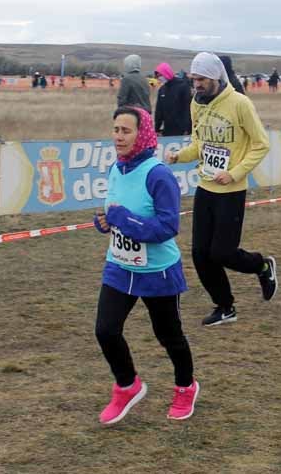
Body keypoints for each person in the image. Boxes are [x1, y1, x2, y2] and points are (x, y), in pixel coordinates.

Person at [93, 106, 198, 424]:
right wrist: (106, 223)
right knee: (105, 330)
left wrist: (122, 218)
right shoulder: (116, 169)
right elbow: (114, 212)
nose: (118, 137)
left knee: (169, 336)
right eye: (115, 130)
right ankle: (127, 385)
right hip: (120, 265)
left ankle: (185, 387)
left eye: (126, 131)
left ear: (143, 134)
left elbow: (167, 227)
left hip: (157, 271)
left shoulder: (158, 174)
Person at [165, 52, 277, 326]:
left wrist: (236, 173)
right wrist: (181, 155)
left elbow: (261, 143)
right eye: (194, 80)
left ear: (216, 77)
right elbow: (199, 144)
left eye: (202, 79)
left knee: (222, 253)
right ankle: (225, 307)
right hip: (205, 187)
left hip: (232, 191)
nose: (197, 85)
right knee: (200, 254)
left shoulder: (240, 103)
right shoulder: (196, 103)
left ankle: (263, 266)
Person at [153, 62, 193, 136]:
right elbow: (159, 111)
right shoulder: (162, 90)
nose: (159, 78)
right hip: (168, 130)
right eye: (158, 76)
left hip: (182, 130)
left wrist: (188, 129)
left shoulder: (183, 86)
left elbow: (188, 108)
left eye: (161, 75)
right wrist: (157, 129)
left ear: (166, 73)